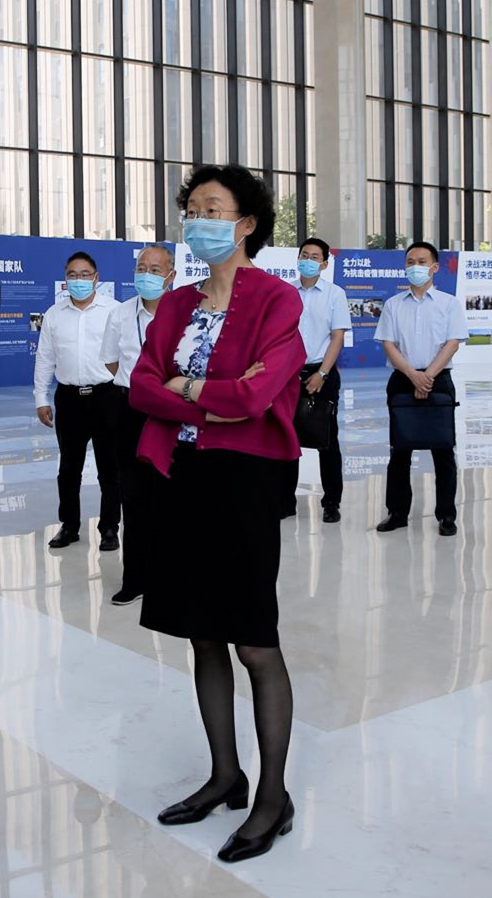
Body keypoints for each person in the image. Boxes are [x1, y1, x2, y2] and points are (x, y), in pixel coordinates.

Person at [129, 164, 305, 863]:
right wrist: (209, 396)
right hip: (180, 476)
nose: (199, 220)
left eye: (213, 209)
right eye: (192, 209)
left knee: (253, 641)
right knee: (201, 634)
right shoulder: (175, 305)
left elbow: (256, 398)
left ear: (247, 223)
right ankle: (225, 775)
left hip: (246, 480)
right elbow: (142, 386)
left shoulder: (276, 300)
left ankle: (273, 796)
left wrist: (187, 387)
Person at [374, 241, 468, 537]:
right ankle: (397, 512)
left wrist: (427, 376)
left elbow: (452, 343)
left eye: (422, 261)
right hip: (403, 379)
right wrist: (413, 375)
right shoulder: (393, 304)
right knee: (400, 450)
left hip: (438, 379)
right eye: (410, 261)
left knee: (443, 450)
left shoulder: (449, 303)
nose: (415, 266)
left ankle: (446, 515)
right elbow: (389, 344)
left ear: (435, 267)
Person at [100, 243, 176, 605]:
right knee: (133, 495)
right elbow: (111, 361)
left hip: (173, 410)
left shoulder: (186, 313)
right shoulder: (120, 314)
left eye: (155, 270)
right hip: (129, 408)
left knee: (173, 494)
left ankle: (171, 576)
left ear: (171, 276)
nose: (147, 275)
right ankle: (135, 578)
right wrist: (140, 386)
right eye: (141, 268)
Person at [34, 252, 122, 551]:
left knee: (110, 468)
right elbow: (45, 358)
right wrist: (41, 398)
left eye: (85, 274)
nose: (79, 280)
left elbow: (127, 355)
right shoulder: (54, 314)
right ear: (65, 279)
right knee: (69, 469)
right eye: (72, 274)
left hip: (107, 397)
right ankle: (69, 526)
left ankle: (109, 527)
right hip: (69, 398)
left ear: (96, 278)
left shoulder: (114, 311)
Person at [281, 237, 351, 523]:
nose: (308, 261)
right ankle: (285, 501)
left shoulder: (335, 294)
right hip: (287, 375)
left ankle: (331, 502)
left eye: (314, 257)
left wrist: (321, 373)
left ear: (324, 264)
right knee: (286, 438)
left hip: (323, 372)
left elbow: (337, 337)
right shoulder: (285, 292)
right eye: (304, 255)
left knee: (327, 439)